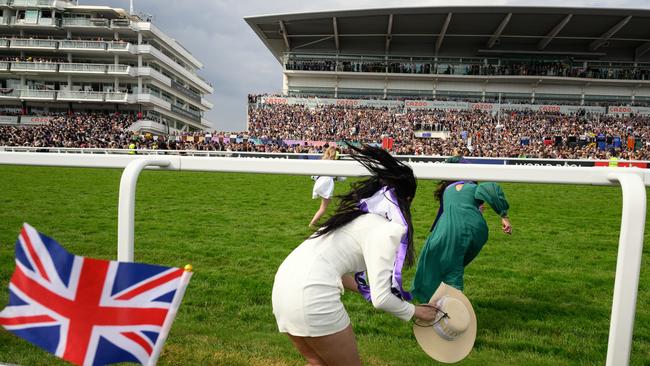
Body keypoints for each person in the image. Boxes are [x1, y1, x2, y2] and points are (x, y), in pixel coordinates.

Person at [272, 144, 440, 366]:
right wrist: (418, 312)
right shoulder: (387, 230)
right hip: (311, 295)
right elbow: (382, 300)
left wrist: (366, 291)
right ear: (407, 200)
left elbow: (338, 271)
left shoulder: (352, 218)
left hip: (282, 288)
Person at [411, 155, 512, 303]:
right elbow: (491, 188)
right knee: (453, 264)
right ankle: (446, 303)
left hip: (448, 230)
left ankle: (449, 310)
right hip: (477, 229)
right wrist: (504, 216)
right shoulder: (473, 186)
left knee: (445, 264)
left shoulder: (447, 190)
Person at [309, 145, 341, 228]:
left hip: (319, 182)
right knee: (323, 207)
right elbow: (342, 177)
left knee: (323, 207)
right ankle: (312, 223)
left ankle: (314, 222)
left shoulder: (322, 160)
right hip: (327, 183)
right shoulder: (334, 163)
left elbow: (313, 175)